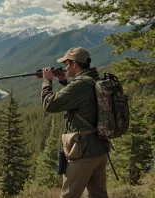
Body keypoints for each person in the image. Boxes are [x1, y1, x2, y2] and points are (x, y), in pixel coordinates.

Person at [41, 47, 110, 198]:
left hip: (83, 152)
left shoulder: (79, 85)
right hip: (100, 149)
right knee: (98, 195)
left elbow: (49, 105)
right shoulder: (94, 79)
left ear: (74, 64)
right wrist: (64, 82)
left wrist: (47, 81)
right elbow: (84, 102)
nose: (65, 67)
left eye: (66, 63)